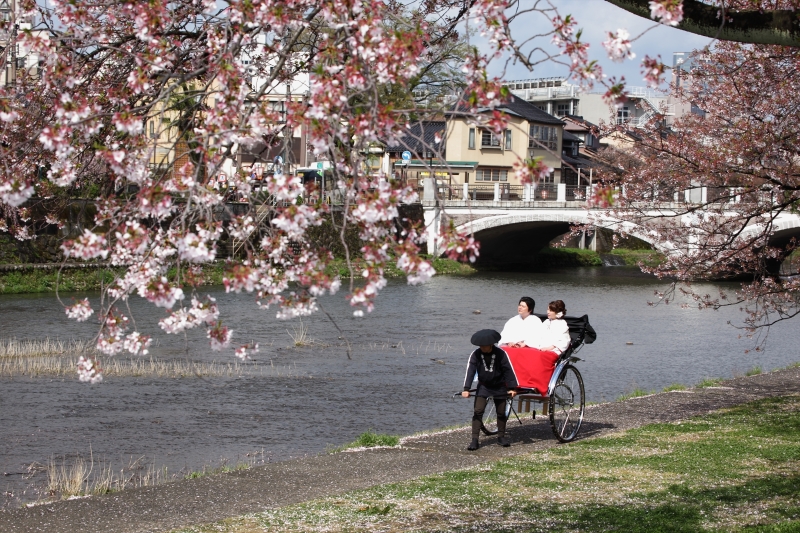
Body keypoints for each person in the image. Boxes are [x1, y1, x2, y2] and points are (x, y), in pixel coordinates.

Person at [461, 329, 518, 450]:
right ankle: (474, 440)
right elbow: (470, 372)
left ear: (491, 344)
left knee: (501, 412)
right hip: (484, 386)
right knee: (478, 410)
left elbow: (508, 370)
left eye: (484, 346)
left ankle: (501, 437)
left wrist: (512, 388)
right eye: (480, 345)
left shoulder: (501, 354)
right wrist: (466, 388)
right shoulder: (475, 354)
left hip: (500, 386)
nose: (482, 347)